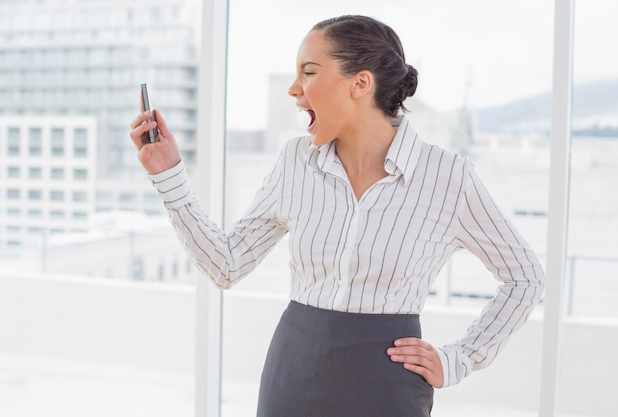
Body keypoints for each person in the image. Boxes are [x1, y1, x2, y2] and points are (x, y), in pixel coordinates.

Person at [129, 15, 545, 417]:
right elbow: (227, 265)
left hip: (388, 387)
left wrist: (459, 360)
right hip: (292, 375)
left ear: (360, 83)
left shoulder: (447, 176)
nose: (294, 89)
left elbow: (525, 277)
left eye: (309, 72)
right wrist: (168, 174)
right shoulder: (295, 161)